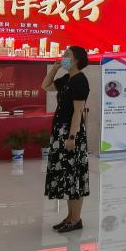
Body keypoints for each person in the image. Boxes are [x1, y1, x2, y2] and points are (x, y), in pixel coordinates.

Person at [43, 46, 91, 233]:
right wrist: (54, 69)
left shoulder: (80, 80)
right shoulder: (66, 78)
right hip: (60, 132)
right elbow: (46, 86)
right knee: (67, 176)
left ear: (76, 59)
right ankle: (70, 217)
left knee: (74, 175)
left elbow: (78, 112)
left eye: (67, 55)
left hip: (71, 133)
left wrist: (72, 137)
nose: (63, 57)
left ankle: (76, 219)